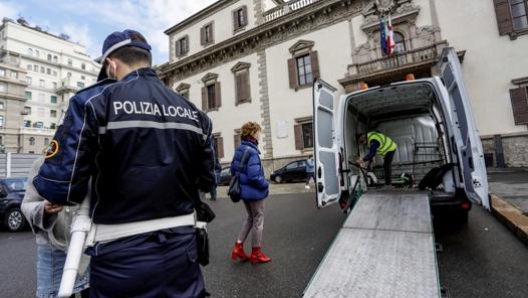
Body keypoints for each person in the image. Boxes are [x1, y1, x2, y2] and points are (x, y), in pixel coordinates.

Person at [33, 29, 216, 298]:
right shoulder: (194, 113)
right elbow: (208, 179)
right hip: (183, 254)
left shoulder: (93, 102)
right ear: (148, 60)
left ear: (111, 64)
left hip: (121, 259)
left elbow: (59, 186)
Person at [22, 156, 90, 298]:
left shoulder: (91, 164)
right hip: (53, 250)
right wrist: (43, 208)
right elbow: (27, 204)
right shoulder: (41, 165)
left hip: (88, 248)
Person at [230, 121, 271, 265]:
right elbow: (254, 176)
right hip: (255, 192)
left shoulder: (240, 149)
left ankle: (238, 246)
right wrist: (265, 183)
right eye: (258, 132)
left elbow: (233, 170)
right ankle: (256, 253)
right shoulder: (252, 152)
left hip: (244, 192)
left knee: (250, 218)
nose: (259, 135)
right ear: (253, 134)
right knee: (258, 220)